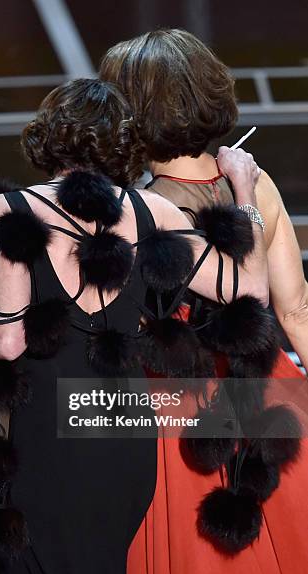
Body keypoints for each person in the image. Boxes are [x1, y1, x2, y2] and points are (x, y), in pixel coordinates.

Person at [0, 78, 267, 574]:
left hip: (51, 444)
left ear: (48, 137)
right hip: (125, 441)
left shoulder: (11, 211)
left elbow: (5, 343)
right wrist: (246, 193)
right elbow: (250, 290)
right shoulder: (152, 212)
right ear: (121, 143)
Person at [100, 30, 308, 574]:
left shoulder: (132, 209)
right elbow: (297, 311)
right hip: (270, 404)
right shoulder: (256, 184)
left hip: (178, 423)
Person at [100, 28, 308, 374]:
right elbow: (297, 310)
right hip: (266, 396)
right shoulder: (258, 181)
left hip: (183, 404)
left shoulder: (141, 209)